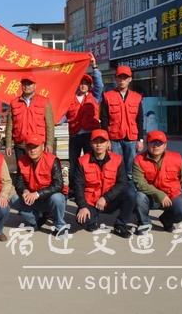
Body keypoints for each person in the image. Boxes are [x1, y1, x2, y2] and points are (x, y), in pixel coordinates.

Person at [73, 129, 135, 238]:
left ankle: (120, 224)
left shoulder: (117, 159)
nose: (99, 145)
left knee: (130, 192)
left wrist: (106, 198)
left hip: (111, 200)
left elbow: (123, 182)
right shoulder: (82, 161)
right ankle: (92, 220)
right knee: (82, 220)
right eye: (95, 142)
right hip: (91, 201)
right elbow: (78, 186)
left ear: (108, 144)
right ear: (91, 144)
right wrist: (82, 206)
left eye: (102, 142)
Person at [133, 130, 182, 232]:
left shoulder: (176, 158)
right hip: (150, 196)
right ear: (147, 144)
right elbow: (139, 183)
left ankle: (166, 220)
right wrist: (159, 194)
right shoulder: (138, 160)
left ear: (165, 145)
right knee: (139, 196)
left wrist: (174, 189)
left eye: (159, 143)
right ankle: (145, 224)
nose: (156, 146)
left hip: (171, 194)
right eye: (152, 142)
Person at [14, 133, 67, 236]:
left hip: (48, 198)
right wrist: (24, 191)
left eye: (35, 147)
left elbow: (58, 185)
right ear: (25, 148)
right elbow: (19, 183)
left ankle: (59, 226)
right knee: (14, 198)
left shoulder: (52, 160)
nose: (32, 150)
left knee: (57, 198)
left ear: (42, 146)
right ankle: (35, 220)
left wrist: (37, 194)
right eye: (29, 147)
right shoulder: (21, 161)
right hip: (32, 198)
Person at [100, 65, 144, 183]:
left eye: (125, 78)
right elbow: (103, 119)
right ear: (116, 79)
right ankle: (116, 192)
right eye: (120, 77)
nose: (122, 80)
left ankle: (131, 192)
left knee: (131, 168)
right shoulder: (107, 96)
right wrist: (106, 139)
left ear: (130, 79)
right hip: (114, 138)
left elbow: (140, 119)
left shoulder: (137, 97)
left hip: (131, 138)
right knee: (115, 166)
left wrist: (140, 139)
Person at [66, 56, 103, 190]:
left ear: (89, 86)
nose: (83, 85)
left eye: (86, 83)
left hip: (90, 136)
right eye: (81, 82)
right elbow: (63, 115)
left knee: (90, 162)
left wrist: (94, 67)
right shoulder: (69, 98)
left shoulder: (95, 96)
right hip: (75, 135)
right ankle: (73, 189)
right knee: (74, 163)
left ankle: (90, 187)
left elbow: (99, 84)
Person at [5, 73, 55, 160]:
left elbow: (50, 125)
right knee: (22, 172)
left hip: (38, 146)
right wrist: (8, 144)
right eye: (24, 84)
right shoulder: (14, 103)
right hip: (21, 145)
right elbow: (9, 126)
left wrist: (49, 143)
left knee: (39, 172)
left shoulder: (44, 102)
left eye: (30, 84)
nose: (27, 86)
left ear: (35, 86)